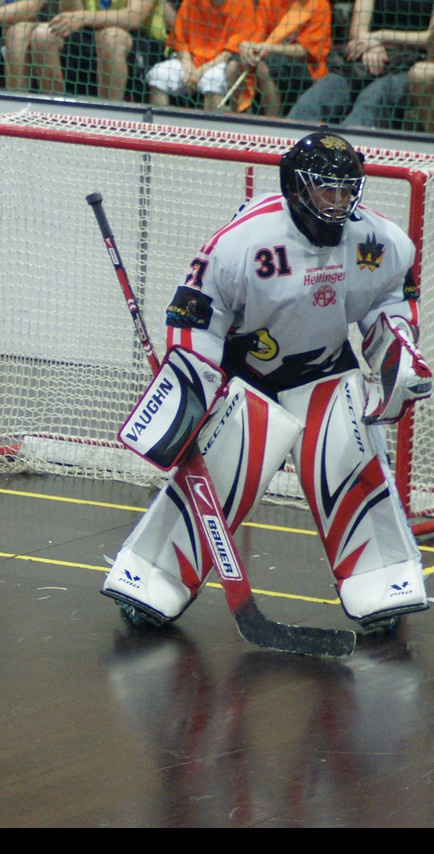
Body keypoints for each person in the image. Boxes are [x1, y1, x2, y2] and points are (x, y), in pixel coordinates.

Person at [102, 130, 432, 636]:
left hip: (325, 369)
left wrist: (396, 352)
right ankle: (151, 578)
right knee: (219, 474)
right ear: (296, 186)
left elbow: (389, 301)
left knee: (352, 463)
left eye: (347, 188)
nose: (339, 200)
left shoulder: (379, 241)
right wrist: (193, 384)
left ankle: (382, 581)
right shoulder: (244, 241)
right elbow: (197, 314)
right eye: (326, 187)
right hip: (248, 377)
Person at [288, 2, 432, 130]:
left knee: (374, 96)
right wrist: (373, 47)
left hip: (409, 64)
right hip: (364, 58)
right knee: (325, 90)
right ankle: (293, 140)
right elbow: (357, 31)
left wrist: (380, 37)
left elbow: (429, 38)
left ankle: (351, 146)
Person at [20, 0, 170, 102]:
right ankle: (53, 113)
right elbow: (71, 16)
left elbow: (133, 17)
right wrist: (77, 15)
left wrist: (83, 17)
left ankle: (110, 118)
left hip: (142, 43)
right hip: (92, 33)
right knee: (43, 35)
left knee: (110, 38)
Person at [144, 0, 260, 111]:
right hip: (189, 60)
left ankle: (212, 123)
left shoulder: (243, 3)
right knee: (159, 74)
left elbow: (229, 53)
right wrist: (189, 68)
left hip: (219, 62)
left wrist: (198, 73)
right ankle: (158, 122)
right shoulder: (190, 2)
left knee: (213, 80)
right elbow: (180, 40)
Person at [228, 0, 332, 116]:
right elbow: (258, 35)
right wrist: (248, 46)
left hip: (306, 68)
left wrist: (269, 48)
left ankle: (270, 122)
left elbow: (306, 51)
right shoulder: (268, 2)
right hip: (267, 56)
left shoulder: (319, 4)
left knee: (264, 67)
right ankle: (234, 117)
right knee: (233, 66)